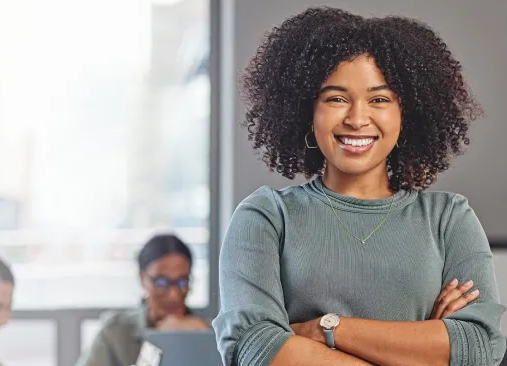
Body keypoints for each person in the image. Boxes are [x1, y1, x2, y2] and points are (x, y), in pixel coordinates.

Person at [212, 7, 506, 366]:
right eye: (336, 98)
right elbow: (257, 350)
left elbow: (480, 347)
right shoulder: (267, 217)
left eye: (379, 99)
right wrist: (419, 348)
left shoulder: (449, 219)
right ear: (308, 109)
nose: (356, 118)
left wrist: (325, 329)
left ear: (405, 113)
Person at [76, 234, 208, 366]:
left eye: (182, 282)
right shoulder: (116, 331)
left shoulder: (208, 331)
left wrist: (203, 337)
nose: (173, 295)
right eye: (161, 282)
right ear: (142, 278)